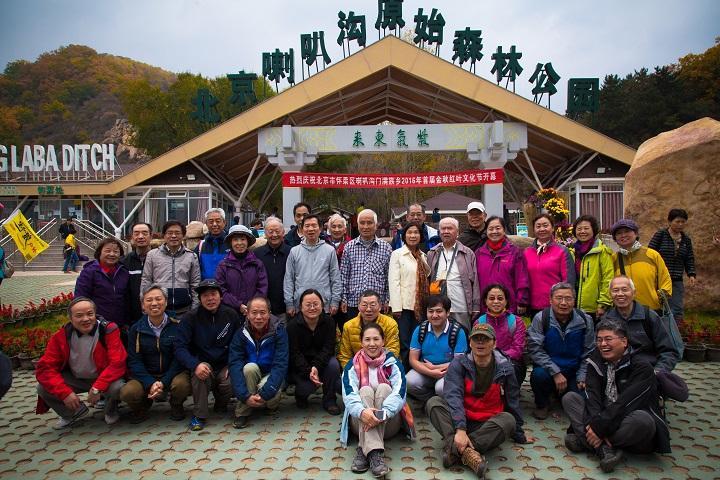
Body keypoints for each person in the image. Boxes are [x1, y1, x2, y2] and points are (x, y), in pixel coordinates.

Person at [562, 319, 670, 473]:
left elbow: (626, 404)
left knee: (643, 421)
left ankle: (590, 442)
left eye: (608, 339)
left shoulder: (642, 367)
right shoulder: (595, 360)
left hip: (626, 418)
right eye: (599, 340)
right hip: (602, 415)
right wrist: (596, 424)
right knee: (570, 399)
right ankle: (605, 450)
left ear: (624, 341)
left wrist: (599, 429)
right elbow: (592, 397)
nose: (603, 344)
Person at [426, 323, 532, 478]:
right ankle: (469, 452)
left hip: (487, 424)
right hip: (460, 419)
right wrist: (461, 429)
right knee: (434, 403)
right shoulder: (459, 363)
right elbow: (453, 396)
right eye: (476, 339)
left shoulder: (505, 367)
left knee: (508, 420)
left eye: (485, 339)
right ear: (470, 343)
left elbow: (513, 400)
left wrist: (519, 433)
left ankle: (455, 449)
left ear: (494, 343)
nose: (480, 342)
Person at [35, 297, 126, 429]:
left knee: (118, 387)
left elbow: (118, 363)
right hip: (76, 378)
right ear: (71, 319)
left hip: (103, 377)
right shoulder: (61, 336)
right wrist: (65, 393)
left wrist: (97, 387)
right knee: (42, 388)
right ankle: (72, 412)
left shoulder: (108, 330)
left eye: (90, 314)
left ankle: (111, 409)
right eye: (79, 316)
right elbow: (45, 368)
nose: (85, 319)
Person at [341, 322, 415, 478]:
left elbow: (400, 393)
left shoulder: (393, 363)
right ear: (361, 342)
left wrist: (382, 414)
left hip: (388, 422)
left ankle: (363, 449)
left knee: (384, 388)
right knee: (365, 390)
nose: (372, 344)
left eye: (376, 339)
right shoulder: (352, 366)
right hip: (360, 421)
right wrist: (363, 413)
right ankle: (375, 454)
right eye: (367, 340)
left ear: (383, 341)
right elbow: (349, 395)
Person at [174, 279, 242, 431]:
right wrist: (195, 364)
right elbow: (179, 347)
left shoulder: (231, 315)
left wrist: (232, 364)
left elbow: (239, 344)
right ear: (199, 299)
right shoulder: (190, 318)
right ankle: (199, 415)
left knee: (231, 381)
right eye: (205, 295)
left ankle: (221, 404)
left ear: (220, 296)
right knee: (201, 375)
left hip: (224, 364)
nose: (210, 299)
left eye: (213, 294)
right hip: (202, 363)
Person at [120, 285, 191, 423]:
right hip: (147, 374)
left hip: (173, 373)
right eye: (149, 300)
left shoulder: (178, 325)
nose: (154, 303)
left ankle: (176, 404)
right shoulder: (136, 329)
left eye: (158, 299)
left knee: (182, 385)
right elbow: (134, 361)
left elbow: (180, 358)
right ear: (142, 305)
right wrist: (150, 383)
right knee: (128, 392)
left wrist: (163, 382)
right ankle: (142, 406)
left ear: (166, 302)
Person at [526, 282, 594, 420]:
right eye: (559, 298)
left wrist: (582, 375)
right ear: (551, 300)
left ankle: (562, 394)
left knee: (582, 400)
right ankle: (543, 404)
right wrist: (555, 372)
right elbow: (535, 349)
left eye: (568, 298)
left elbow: (589, 351)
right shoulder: (541, 318)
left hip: (574, 370)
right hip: (549, 369)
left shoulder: (585, 320)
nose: (563, 303)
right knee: (538, 375)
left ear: (574, 301)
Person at [229, 297, 288, 428]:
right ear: (247, 314)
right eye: (254, 313)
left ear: (269, 313)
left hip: (271, 373)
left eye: (263, 312)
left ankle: (270, 405)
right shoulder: (241, 333)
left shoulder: (279, 331)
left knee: (271, 395)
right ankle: (243, 412)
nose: (258, 317)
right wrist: (244, 396)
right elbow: (235, 363)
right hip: (252, 372)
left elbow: (281, 364)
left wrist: (265, 394)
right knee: (249, 368)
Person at [601, 276, 680, 372]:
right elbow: (599, 352)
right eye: (615, 290)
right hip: (617, 372)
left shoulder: (649, 316)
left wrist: (658, 371)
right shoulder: (606, 320)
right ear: (610, 294)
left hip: (648, 371)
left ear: (634, 293)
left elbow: (669, 351)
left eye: (624, 289)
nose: (620, 294)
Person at [286, 289, 341, 414]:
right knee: (305, 388)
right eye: (308, 305)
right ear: (300, 307)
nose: (312, 308)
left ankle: (329, 400)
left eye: (315, 304)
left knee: (333, 365)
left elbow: (328, 349)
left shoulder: (329, 322)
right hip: (301, 366)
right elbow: (294, 353)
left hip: (322, 362)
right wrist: (308, 371)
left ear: (322, 305)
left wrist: (316, 366)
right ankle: (300, 396)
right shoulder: (293, 326)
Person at [407, 295, 468, 403]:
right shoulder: (420, 330)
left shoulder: (457, 331)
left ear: (447, 312)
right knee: (409, 381)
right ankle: (429, 401)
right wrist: (430, 372)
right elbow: (413, 360)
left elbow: (459, 362)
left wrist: (435, 368)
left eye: (439, 311)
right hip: (425, 370)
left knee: (441, 388)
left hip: (449, 371)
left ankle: (442, 405)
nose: (434, 315)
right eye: (431, 311)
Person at [388, 221, 430, 369]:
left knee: (418, 341)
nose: (413, 235)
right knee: (405, 342)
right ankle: (404, 373)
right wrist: (396, 307)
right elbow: (394, 281)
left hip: (421, 306)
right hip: (404, 307)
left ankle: (417, 371)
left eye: (416, 232)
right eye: (409, 232)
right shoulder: (397, 254)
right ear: (404, 236)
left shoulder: (423, 256)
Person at [427, 217, 480, 331]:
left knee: (463, 334)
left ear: (457, 232)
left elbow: (475, 281)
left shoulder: (467, 253)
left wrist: (476, 306)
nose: (446, 231)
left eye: (450, 228)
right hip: (438, 307)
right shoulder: (432, 253)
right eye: (443, 229)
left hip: (461, 305)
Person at [284, 214, 342, 318]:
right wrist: (289, 302)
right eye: (307, 226)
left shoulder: (329, 250)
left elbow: (335, 278)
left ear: (320, 228)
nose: (311, 229)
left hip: (324, 304)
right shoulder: (294, 251)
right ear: (302, 229)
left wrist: (335, 301)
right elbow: (289, 279)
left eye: (314, 225)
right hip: (301, 304)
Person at [340, 209, 393, 320]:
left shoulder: (386, 248)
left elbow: (389, 277)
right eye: (362, 223)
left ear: (376, 225)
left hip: (377, 304)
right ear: (358, 225)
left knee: (376, 331)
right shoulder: (349, 247)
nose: (365, 226)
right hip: (353, 303)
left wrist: (387, 299)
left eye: (369, 223)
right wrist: (344, 298)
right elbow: (344, 276)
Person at [141, 220, 201, 316]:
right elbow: (146, 281)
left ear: (183, 236)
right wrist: (144, 305)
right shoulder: (152, 255)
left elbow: (195, 284)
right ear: (164, 236)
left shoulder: (191, 256)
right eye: (169, 233)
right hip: (159, 310)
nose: (173, 236)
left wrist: (195, 308)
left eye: (177, 233)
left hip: (185, 310)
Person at [610, 218, 672, 312]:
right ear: (615, 239)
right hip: (624, 311)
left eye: (627, 231)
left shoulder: (652, 255)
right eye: (619, 233)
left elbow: (665, 278)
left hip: (651, 310)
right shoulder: (613, 259)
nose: (623, 235)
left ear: (636, 234)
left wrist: (659, 297)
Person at [524, 214, 576, 319]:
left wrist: (564, 301)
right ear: (534, 229)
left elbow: (568, 281)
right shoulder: (527, 252)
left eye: (545, 225)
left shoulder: (562, 251)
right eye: (538, 226)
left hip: (556, 306)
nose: (542, 229)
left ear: (552, 228)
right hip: (533, 306)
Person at [474, 216, 529, 315]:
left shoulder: (515, 252)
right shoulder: (479, 253)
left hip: (508, 305)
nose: (494, 231)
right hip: (485, 306)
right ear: (486, 231)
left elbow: (521, 278)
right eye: (491, 229)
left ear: (504, 230)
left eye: (498, 228)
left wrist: (522, 301)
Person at [649, 209, 696, 322]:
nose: (680, 224)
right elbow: (650, 254)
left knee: (677, 309)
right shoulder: (660, 235)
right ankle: (659, 328)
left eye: (683, 222)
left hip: (676, 279)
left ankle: (676, 330)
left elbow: (689, 258)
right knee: (658, 307)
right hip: (659, 279)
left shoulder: (686, 240)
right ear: (670, 221)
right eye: (677, 221)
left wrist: (691, 274)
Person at [74, 237, 130, 333]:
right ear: (99, 252)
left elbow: (127, 298)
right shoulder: (89, 272)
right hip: (97, 326)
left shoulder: (123, 272)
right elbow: (80, 299)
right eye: (108, 251)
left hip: (119, 326)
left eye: (116, 251)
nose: (112, 254)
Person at [475, 284, 527, 385]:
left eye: (500, 298)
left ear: (506, 301)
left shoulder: (516, 321)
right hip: (486, 361)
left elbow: (517, 349)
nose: (496, 302)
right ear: (485, 301)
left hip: (510, 361)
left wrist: (498, 359)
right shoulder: (479, 322)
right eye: (491, 298)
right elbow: (476, 348)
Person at [215, 225, 268, 318]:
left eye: (243, 239)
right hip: (230, 313)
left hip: (254, 314)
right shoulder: (223, 265)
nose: (239, 243)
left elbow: (262, 287)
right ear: (231, 242)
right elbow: (221, 289)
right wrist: (238, 305)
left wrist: (252, 306)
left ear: (248, 241)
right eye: (235, 240)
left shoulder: (257, 264)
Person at [338, 290, 401, 368]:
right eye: (364, 305)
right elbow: (345, 356)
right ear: (358, 306)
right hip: (357, 368)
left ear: (380, 307)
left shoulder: (390, 324)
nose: (368, 309)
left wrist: (378, 371)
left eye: (373, 305)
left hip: (383, 367)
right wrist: (353, 371)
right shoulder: (349, 326)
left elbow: (393, 351)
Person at [569, 215, 614, 322]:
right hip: (572, 305)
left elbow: (608, 278)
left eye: (586, 228)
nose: (582, 231)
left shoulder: (602, 251)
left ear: (593, 230)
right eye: (579, 229)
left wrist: (603, 303)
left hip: (594, 308)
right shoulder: (572, 252)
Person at [254, 217, 291, 323]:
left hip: (286, 308)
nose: (274, 235)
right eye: (270, 232)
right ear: (265, 233)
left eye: (277, 231)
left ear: (283, 232)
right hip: (263, 308)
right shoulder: (257, 254)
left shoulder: (291, 252)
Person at [121, 222, 153, 324]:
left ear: (151, 236)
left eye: (144, 233)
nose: (140, 237)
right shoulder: (124, 262)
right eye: (136, 233)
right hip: (132, 317)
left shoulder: (159, 259)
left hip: (156, 313)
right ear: (132, 237)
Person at [196, 207, 228, 280]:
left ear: (224, 223)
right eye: (211, 221)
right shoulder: (201, 245)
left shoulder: (231, 244)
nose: (214, 224)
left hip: (227, 286)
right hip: (206, 286)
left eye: (218, 221)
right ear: (206, 224)